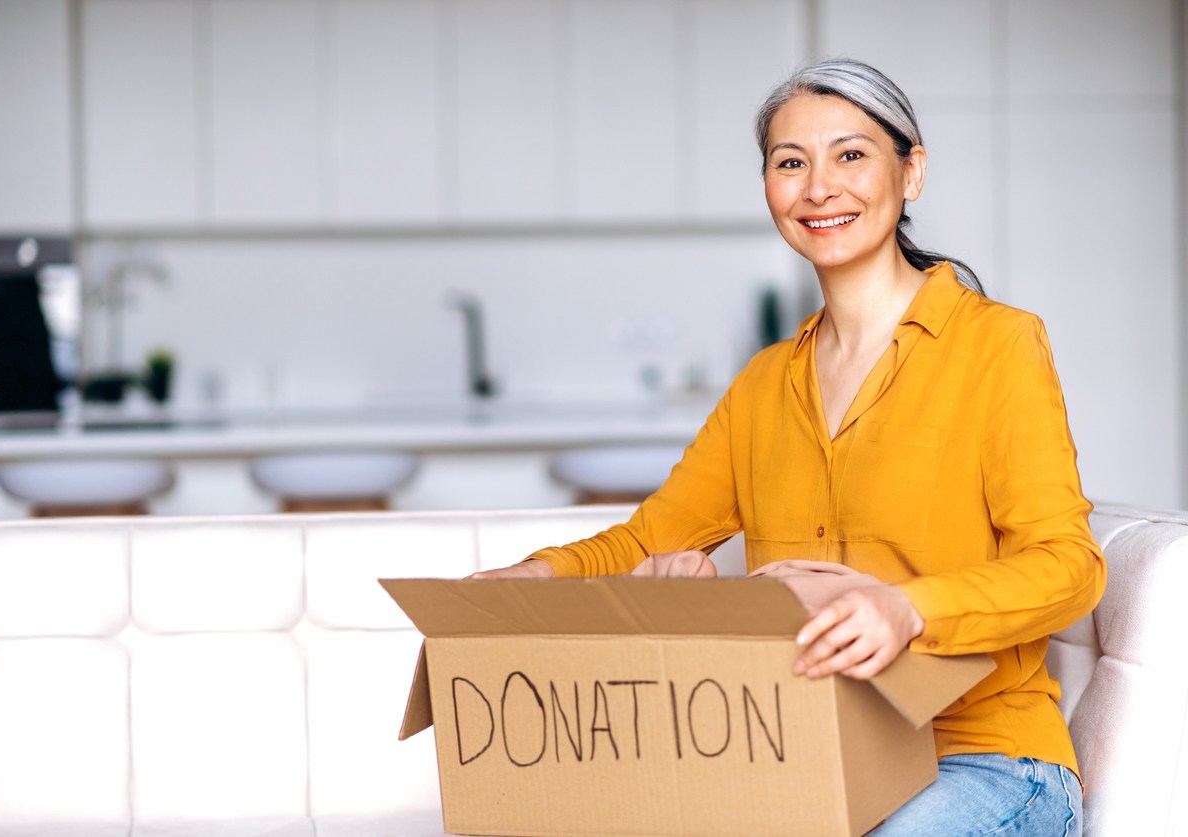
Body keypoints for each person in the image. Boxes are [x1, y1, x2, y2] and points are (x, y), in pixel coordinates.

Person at [471, 58, 1105, 836]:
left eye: (850, 155)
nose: (818, 188)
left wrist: (909, 610)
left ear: (911, 174)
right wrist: (534, 577)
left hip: (984, 758)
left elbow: (1068, 565)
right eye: (789, 163)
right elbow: (648, 537)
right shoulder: (765, 384)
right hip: (814, 751)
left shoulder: (997, 345)